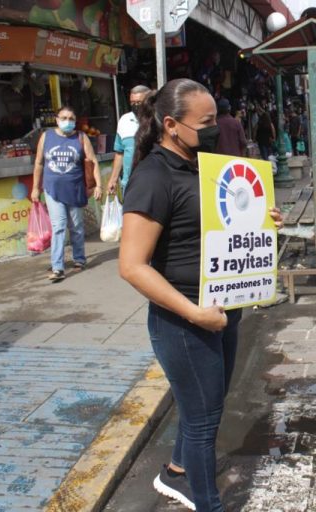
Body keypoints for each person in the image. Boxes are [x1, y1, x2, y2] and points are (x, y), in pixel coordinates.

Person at [118, 78, 282, 512]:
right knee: (204, 418)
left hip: (223, 306)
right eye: (205, 122)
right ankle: (206, 500)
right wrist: (194, 313)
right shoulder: (152, 178)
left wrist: (262, 222)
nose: (216, 128)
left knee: (206, 407)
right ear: (171, 125)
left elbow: (218, 226)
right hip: (185, 320)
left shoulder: (203, 166)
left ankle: (175, 470)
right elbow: (131, 266)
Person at [31, 105, 101, 283]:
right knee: (59, 227)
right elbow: (39, 163)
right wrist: (35, 187)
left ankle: (79, 259)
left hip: (75, 189)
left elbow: (93, 161)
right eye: (64, 118)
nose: (67, 122)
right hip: (52, 190)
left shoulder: (81, 137)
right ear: (56, 119)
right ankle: (57, 267)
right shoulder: (46, 137)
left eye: (71, 119)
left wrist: (99, 185)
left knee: (76, 227)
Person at [107, 85, 151, 196]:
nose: (135, 106)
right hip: (129, 183)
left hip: (153, 182)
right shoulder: (124, 120)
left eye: (139, 102)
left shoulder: (157, 120)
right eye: (132, 102)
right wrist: (113, 179)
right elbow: (120, 153)